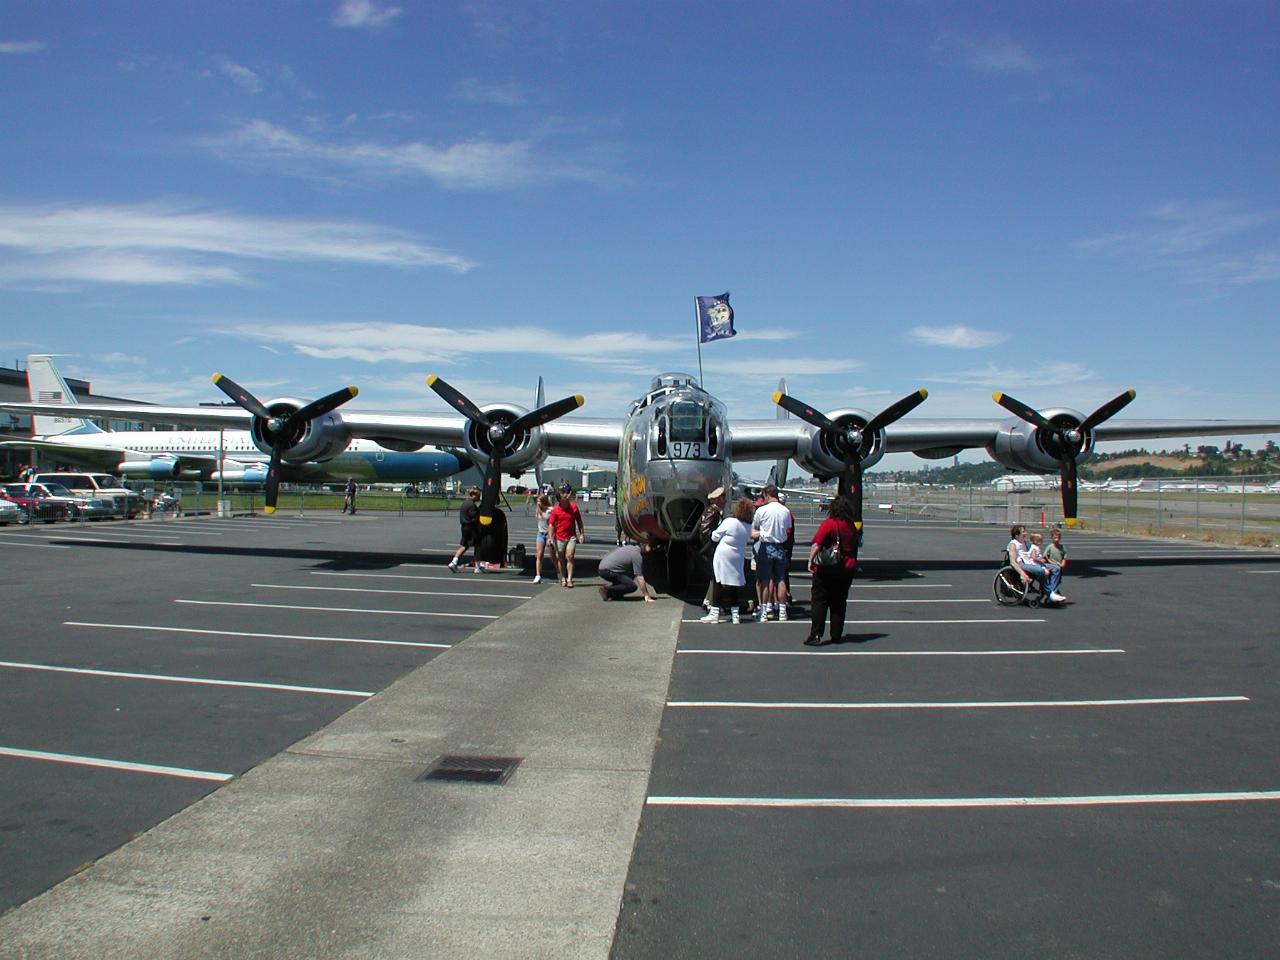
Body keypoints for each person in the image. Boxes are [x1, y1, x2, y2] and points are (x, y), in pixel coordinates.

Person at [806, 494, 859, 645]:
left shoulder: (829, 524)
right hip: (846, 568)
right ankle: (836, 634)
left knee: (820, 601)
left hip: (827, 569)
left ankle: (816, 633)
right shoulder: (851, 526)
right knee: (839, 602)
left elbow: (817, 544)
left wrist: (810, 560)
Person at [701, 497, 754, 624]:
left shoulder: (730, 521)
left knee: (718, 582)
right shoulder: (748, 526)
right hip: (738, 555)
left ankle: (714, 613)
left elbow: (715, 536)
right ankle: (735, 615)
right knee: (733, 584)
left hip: (724, 554)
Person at [751, 485, 793, 621]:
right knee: (780, 579)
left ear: (766, 495)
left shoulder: (762, 510)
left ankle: (764, 611)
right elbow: (787, 528)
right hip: (780, 546)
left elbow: (754, 530)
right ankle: (782, 611)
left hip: (766, 546)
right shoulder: (785, 511)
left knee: (765, 580)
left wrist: (763, 532)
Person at [1007, 524, 1066, 603]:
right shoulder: (1013, 545)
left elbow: (1034, 551)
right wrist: (1022, 574)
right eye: (1023, 532)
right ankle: (1050, 594)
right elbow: (1013, 562)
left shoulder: (1025, 542)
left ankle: (1053, 593)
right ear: (1017, 535)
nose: (1026, 533)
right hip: (1022, 564)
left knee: (1056, 568)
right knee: (1041, 571)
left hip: (1031, 562)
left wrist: (1041, 558)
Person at [548, 484, 586, 587]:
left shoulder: (573, 507)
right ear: (560, 497)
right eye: (563, 494)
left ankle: (569, 579)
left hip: (571, 536)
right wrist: (550, 537)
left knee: (570, 556)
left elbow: (579, 521)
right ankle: (563, 577)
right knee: (561, 558)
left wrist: (582, 534)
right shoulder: (556, 510)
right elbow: (551, 525)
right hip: (559, 537)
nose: (565, 496)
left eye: (566, 494)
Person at [698, 486, 727, 611]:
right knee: (716, 576)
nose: (725, 500)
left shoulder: (712, 511)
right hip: (712, 548)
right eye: (723, 497)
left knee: (715, 576)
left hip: (711, 547)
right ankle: (711, 601)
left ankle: (708, 600)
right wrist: (713, 541)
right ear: (718, 499)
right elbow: (704, 530)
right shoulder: (713, 512)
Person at [447, 487, 482, 572]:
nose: (479, 497)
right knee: (478, 546)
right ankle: (477, 567)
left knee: (464, 546)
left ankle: (454, 562)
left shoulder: (465, 503)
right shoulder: (472, 505)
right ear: (473, 495)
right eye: (478, 495)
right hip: (471, 527)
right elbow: (474, 518)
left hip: (464, 527)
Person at [532, 493, 559, 584]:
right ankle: (538, 575)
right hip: (540, 534)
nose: (538, 503)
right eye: (538, 502)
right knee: (539, 554)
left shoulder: (551, 510)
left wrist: (551, 535)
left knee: (552, 555)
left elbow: (555, 522)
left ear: (544, 501)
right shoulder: (538, 510)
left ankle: (559, 572)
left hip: (549, 534)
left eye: (540, 501)